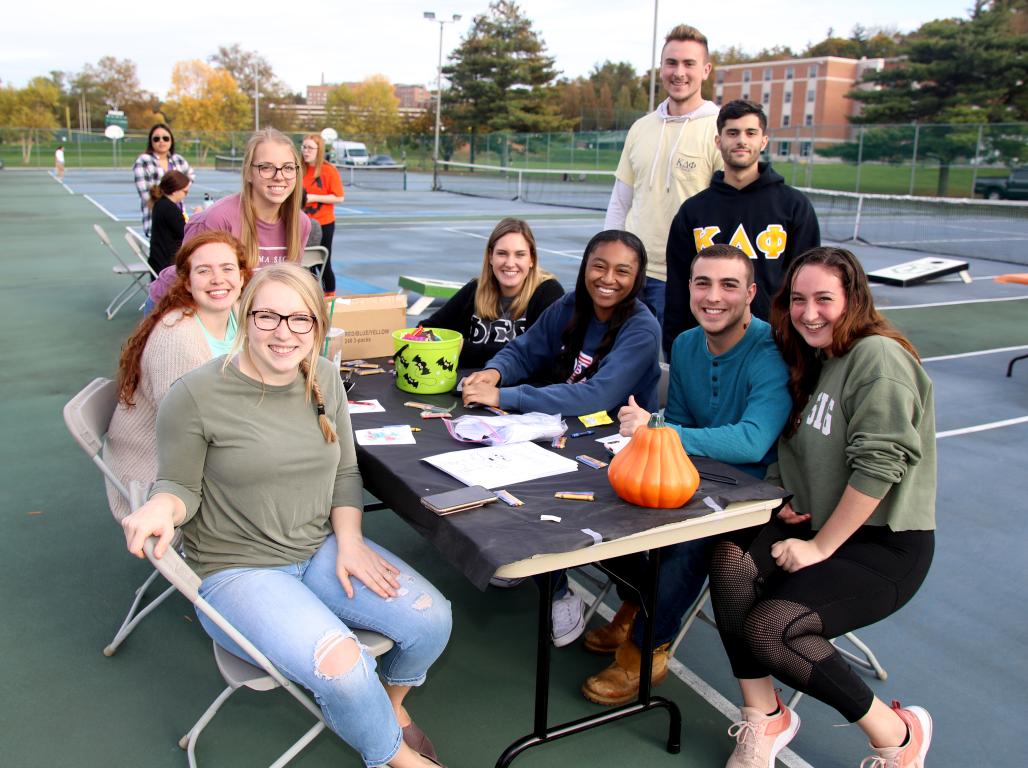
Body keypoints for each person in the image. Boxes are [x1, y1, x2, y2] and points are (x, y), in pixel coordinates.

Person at [121, 263, 452, 768]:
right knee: (344, 670)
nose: (284, 333)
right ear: (242, 315)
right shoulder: (193, 396)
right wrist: (161, 507)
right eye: (268, 316)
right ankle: (397, 759)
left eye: (301, 320)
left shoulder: (321, 373)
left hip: (316, 545)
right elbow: (178, 486)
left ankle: (391, 708)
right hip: (238, 571)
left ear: (318, 326)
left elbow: (344, 471)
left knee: (433, 621)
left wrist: (351, 541)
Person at [710, 247, 935, 768]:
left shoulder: (877, 356)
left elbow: (881, 466)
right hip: (816, 524)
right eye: (798, 300)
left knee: (772, 627)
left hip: (881, 544)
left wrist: (819, 547)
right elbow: (799, 448)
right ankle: (765, 718)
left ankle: (898, 737)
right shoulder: (814, 358)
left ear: (852, 298)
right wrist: (786, 495)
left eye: (824, 299)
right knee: (728, 557)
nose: (810, 312)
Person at [580, 244, 791, 706]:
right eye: (703, 283)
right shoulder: (684, 343)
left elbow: (752, 441)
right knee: (609, 513)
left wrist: (657, 428)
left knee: (690, 543)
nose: (714, 296)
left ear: (751, 293)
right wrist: (663, 434)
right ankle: (637, 606)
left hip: (751, 492)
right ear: (689, 289)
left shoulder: (770, 348)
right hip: (693, 474)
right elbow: (679, 418)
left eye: (729, 285)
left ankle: (646, 649)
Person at [462, 230, 661, 647]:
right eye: (599, 266)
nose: (609, 278)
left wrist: (505, 395)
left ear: (638, 277)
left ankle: (560, 589)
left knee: (541, 498)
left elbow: (597, 395)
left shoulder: (642, 328)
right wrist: (494, 372)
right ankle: (539, 571)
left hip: (613, 448)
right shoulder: (569, 306)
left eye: (623, 271)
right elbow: (523, 349)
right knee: (490, 472)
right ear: (585, 267)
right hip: (561, 432)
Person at [104, 231, 248, 521]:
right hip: (163, 479)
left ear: (243, 276)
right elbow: (188, 432)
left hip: (210, 454)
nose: (218, 279)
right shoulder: (178, 336)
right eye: (204, 270)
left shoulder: (237, 316)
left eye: (227, 268)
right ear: (187, 280)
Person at [663, 99, 820, 356]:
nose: (741, 140)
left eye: (750, 133)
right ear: (718, 141)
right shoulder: (693, 211)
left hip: (775, 346)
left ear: (764, 141)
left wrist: (801, 348)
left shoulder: (794, 206)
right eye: (732, 133)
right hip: (708, 348)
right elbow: (679, 289)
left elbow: (808, 284)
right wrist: (674, 349)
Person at [603, 24, 721, 326]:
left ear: (705, 70)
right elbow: (620, 202)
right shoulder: (641, 128)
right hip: (632, 274)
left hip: (685, 278)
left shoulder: (721, 127)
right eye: (671, 63)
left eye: (688, 64)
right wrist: (611, 262)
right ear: (661, 68)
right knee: (618, 360)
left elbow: (728, 210)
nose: (678, 72)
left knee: (676, 365)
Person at [149, 129, 312, 306]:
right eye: (266, 167)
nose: (279, 176)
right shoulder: (218, 220)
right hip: (177, 304)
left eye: (288, 168)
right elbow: (192, 289)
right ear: (248, 173)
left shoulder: (300, 223)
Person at [424, 218, 564, 369]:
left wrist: (464, 350)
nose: (510, 263)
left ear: (532, 259)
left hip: (517, 390)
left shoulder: (548, 293)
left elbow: (538, 355)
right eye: (502, 253)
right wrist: (409, 349)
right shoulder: (476, 289)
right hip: (467, 383)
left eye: (520, 254)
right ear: (491, 257)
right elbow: (428, 328)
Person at [300, 134, 345, 296]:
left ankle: (330, 298)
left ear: (319, 151)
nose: (306, 151)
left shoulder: (328, 171)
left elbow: (339, 197)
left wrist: (312, 197)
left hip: (324, 223)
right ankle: (309, 296)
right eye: (304, 147)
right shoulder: (298, 169)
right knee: (304, 263)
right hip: (302, 223)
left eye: (310, 148)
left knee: (323, 263)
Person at [133, 123, 195, 237]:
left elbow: (191, 175)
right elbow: (145, 195)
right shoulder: (144, 161)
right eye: (156, 139)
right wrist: (164, 212)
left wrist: (182, 190)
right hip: (157, 223)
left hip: (178, 219)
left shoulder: (178, 160)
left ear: (171, 140)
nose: (161, 141)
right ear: (151, 142)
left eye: (165, 138)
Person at [147, 170, 191, 275]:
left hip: (158, 259)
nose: (186, 195)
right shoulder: (169, 209)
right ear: (175, 191)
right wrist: (198, 217)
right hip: (167, 264)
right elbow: (186, 234)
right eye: (185, 192)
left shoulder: (160, 203)